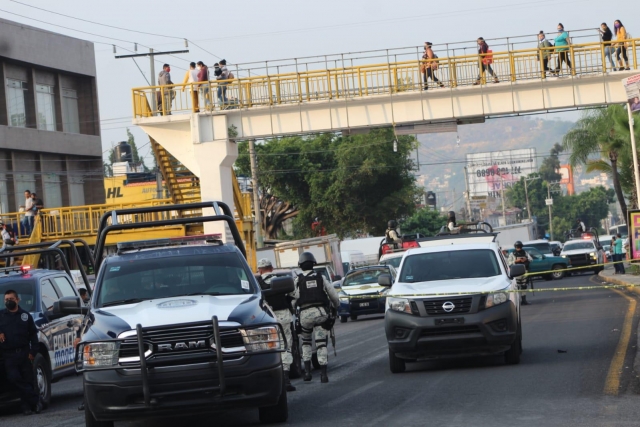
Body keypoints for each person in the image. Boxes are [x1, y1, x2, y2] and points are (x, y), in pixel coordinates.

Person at [295, 252, 339, 383]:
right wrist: (336, 307)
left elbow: (294, 298)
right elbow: (334, 296)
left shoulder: (297, 280)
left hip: (304, 316)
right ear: (314, 264)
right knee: (321, 344)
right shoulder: (321, 278)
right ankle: (323, 374)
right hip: (321, 314)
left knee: (306, 343)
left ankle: (307, 373)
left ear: (300, 265)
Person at [256, 259, 298, 392]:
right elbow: (295, 295)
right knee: (286, 346)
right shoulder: (281, 281)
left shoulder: (257, 284)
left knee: (268, 348)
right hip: (284, 316)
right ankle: (285, 379)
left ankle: (270, 382)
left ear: (260, 270)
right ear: (272, 268)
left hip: (266, 318)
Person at [0, 290, 43, 415]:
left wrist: (33, 351)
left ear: (18, 300)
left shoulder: (25, 316)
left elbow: (33, 335)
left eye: (11, 299)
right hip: (9, 354)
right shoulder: (1, 315)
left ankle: (27, 407)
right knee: (14, 378)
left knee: (27, 379)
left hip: (24, 353)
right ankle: (36, 400)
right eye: (6, 299)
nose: (9, 301)